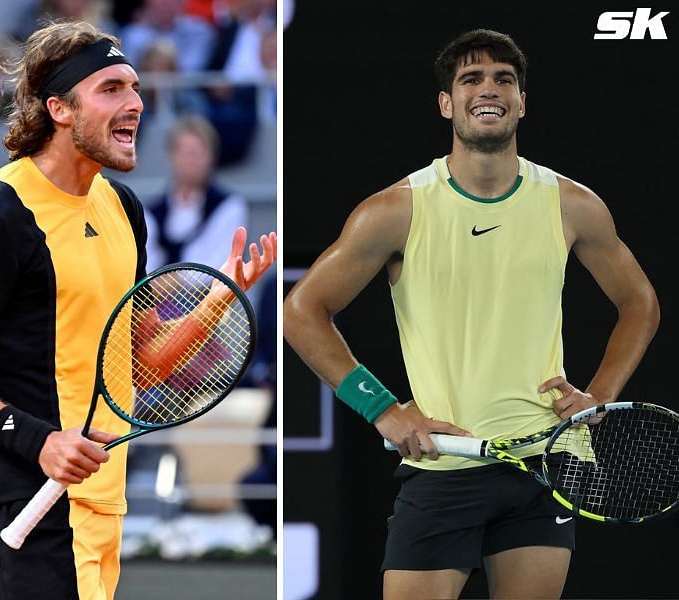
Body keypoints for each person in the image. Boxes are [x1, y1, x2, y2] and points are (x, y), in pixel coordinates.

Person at [282, 29, 659, 599]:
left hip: (543, 465)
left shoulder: (572, 204)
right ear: (446, 102)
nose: (490, 89)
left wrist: (598, 398)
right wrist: (383, 410)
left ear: (522, 102)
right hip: (443, 470)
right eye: (471, 79)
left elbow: (640, 304)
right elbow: (302, 310)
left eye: (504, 79)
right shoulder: (394, 210)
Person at [0, 20, 275, 600]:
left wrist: (220, 295)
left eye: (134, 88)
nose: (135, 104)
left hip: (102, 502)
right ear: (59, 109)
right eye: (111, 89)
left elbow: (146, 361)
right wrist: (40, 441)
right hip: (24, 500)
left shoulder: (123, 208)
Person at [143, 114, 248, 273]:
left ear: (212, 157)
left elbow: (217, 267)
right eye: (186, 153)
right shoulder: (150, 213)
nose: (192, 160)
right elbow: (145, 264)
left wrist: (170, 282)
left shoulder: (230, 206)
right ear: (171, 157)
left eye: (198, 152)